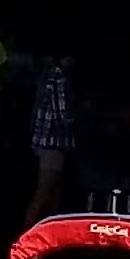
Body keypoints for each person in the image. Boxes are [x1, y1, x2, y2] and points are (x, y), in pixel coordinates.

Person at [27, 54, 75, 224]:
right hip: (53, 141)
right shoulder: (59, 78)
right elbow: (62, 113)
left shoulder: (45, 76)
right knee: (43, 193)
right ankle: (27, 235)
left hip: (42, 140)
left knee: (52, 195)